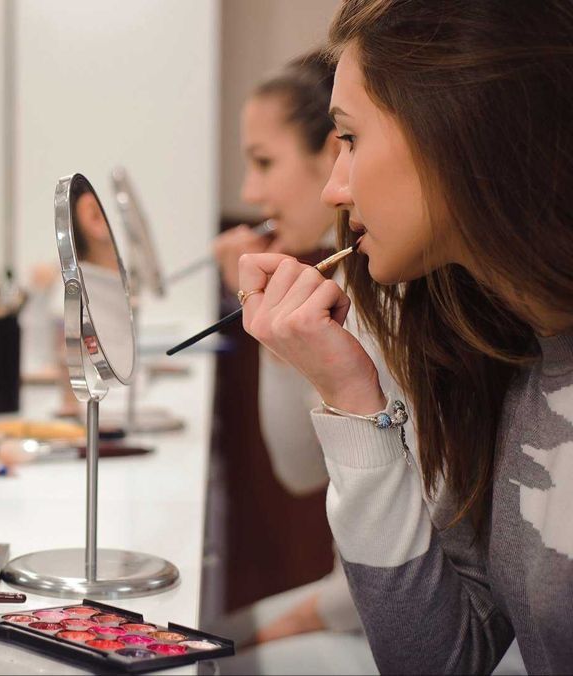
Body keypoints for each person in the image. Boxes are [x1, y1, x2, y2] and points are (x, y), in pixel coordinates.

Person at [237, 0, 572, 671]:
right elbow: (439, 663)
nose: (337, 188)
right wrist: (354, 403)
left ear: (460, 129)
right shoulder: (502, 357)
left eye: (351, 140)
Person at [211, 51, 369, 652]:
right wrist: (269, 330)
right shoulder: (352, 282)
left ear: (333, 152)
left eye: (264, 162)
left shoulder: (394, 295)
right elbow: (303, 469)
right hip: (355, 601)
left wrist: (292, 623)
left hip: (370, 616)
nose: (252, 191)